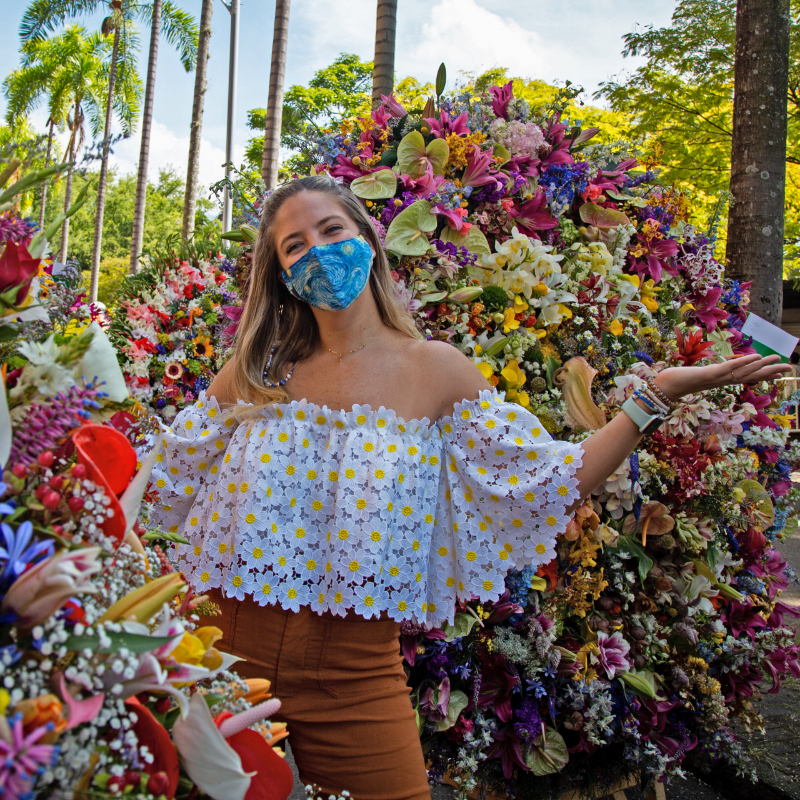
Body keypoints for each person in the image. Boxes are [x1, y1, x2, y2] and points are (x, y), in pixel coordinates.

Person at [150, 175, 789, 800]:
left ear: (368, 239)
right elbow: (166, 479)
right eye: (294, 246)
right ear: (282, 273)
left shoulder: (437, 371)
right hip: (222, 657)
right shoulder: (256, 372)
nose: (317, 251)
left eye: (330, 230)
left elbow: (548, 479)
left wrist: (655, 397)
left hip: (356, 675)